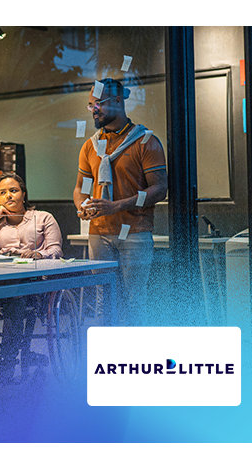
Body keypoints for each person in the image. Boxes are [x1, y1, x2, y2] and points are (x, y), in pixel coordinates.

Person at [73, 78, 167, 325]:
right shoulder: (90, 146)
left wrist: (117, 206)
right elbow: (81, 187)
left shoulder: (145, 141)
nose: (93, 109)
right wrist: (82, 206)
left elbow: (159, 189)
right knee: (104, 300)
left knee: (134, 301)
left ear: (117, 101)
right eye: (90, 105)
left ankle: (136, 357)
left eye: (98, 104)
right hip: (99, 234)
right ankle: (108, 354)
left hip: (134, 232)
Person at [0, 172, 63, 380]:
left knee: (15, 301)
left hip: (35, 284)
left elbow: (56, 250)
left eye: (13, 191)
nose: (8, 196)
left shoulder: (43, 218)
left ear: (24, 194)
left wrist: (37, 254)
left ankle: (8, 362)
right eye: (2, 193)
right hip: (3, 281)